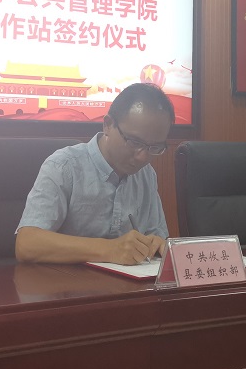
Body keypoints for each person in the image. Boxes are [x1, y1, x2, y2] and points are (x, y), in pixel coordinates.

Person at [15, 82, 173, 264]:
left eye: (155, 147)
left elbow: (157, 235)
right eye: (134, 142)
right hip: (66, 281)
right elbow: (27, 244)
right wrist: (109, 249)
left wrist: (157, 244)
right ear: (108, 125)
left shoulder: (146, 174)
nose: (142, 156)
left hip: (129, 281)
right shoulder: (64, 166)